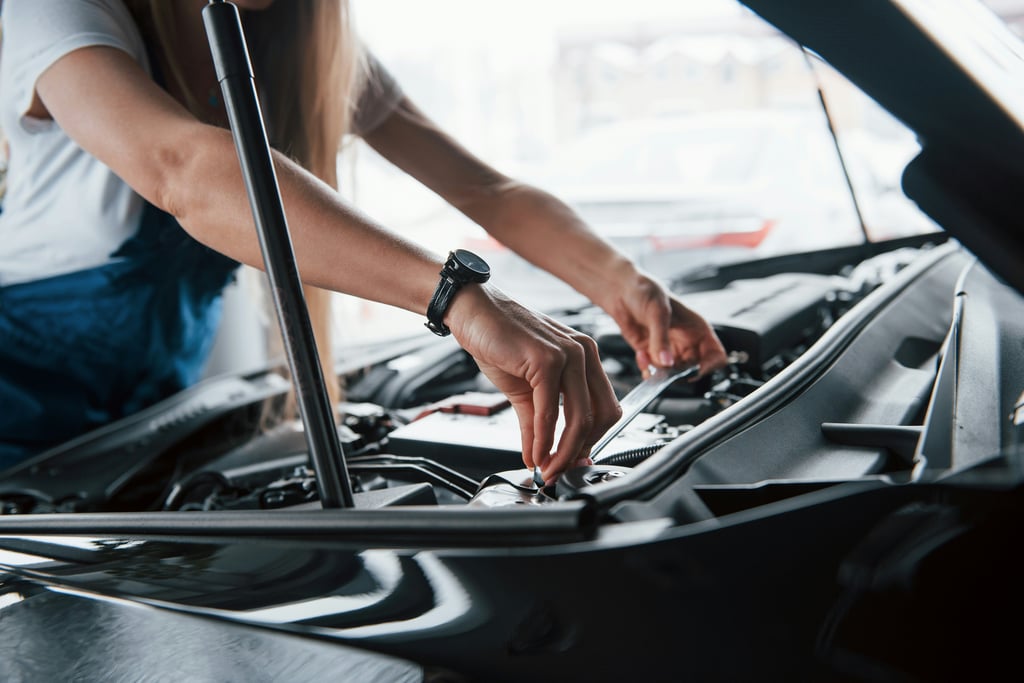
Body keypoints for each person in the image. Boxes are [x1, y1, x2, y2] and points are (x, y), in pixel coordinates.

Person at [0, 0, 726, 480]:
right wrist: (458, 298)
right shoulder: (63, 12)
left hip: (151, 420)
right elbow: (180, 169)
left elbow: (486, 191)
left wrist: (625, 284)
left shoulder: (305, 44)